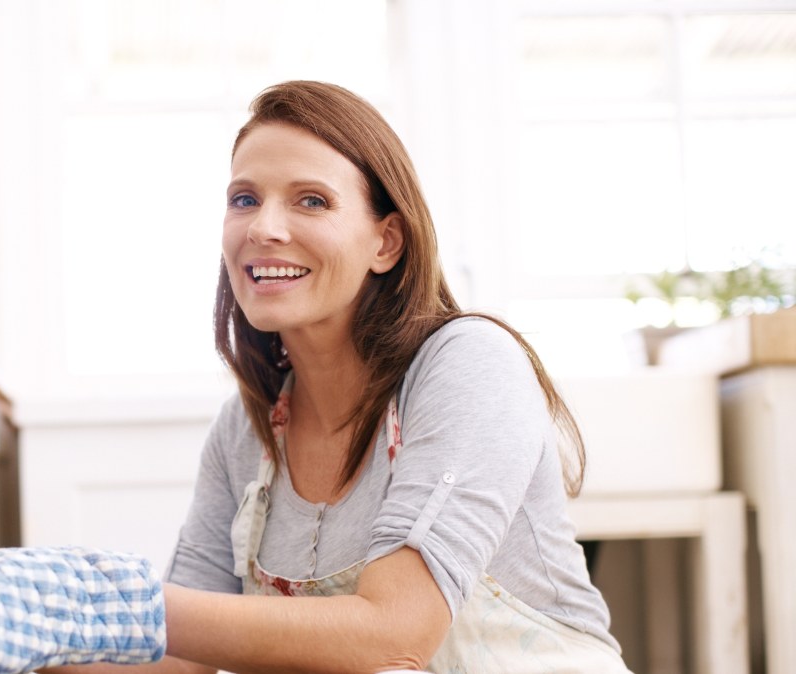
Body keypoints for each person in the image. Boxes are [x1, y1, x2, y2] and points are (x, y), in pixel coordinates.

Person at [44, 81, 632, 673]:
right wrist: (31, 636)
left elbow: (395, 634)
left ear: (386, 241)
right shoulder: (244, 434)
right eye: (244, 199)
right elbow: (176, 662)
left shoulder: (468, 363)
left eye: (312, 201)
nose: (263, 228)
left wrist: (112, 605)